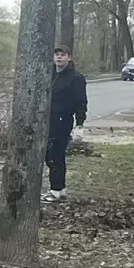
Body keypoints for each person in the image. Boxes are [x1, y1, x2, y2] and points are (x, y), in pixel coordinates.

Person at [45, 45, 89, 202]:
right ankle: (60, 188)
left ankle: (56, 190)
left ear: (69, 58)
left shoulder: (75, 78)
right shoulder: (50, 75)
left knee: (55, 154)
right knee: (49, 155)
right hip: (48, 119)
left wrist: (79, 124)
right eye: (56, 54)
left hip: (62, 120)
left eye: (62, 55)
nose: (59, 57)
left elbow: (81, 102)